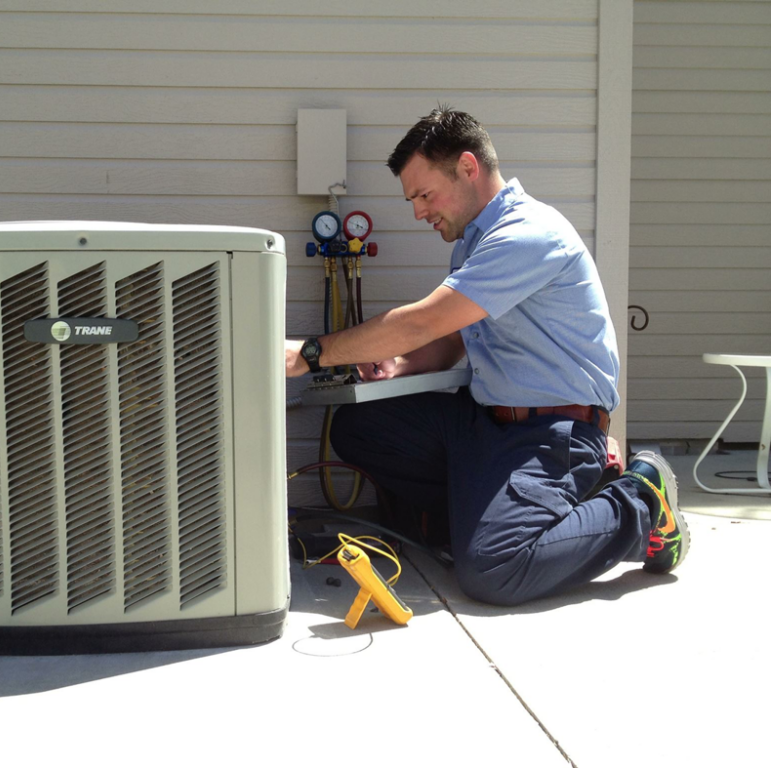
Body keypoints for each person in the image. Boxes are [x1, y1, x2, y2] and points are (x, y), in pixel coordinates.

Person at [284, 107, 689, 607]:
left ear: (469, 168)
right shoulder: (475, 242)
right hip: (483, 422)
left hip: (551, 434)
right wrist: (402, 365)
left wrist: (311, 353)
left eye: (424, 195)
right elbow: (456, 335)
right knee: (358, 427)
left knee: (494, 569)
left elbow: (425, 320)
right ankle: (492, 514)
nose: (418, 212)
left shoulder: (528, 234)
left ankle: (643, 501)